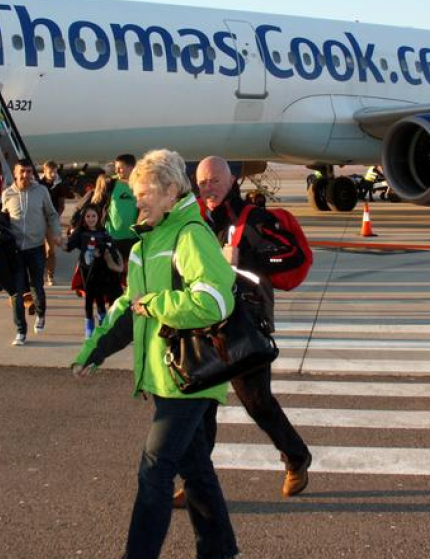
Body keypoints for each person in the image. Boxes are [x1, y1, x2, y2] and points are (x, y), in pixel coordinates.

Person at [73, 148, 239, 559]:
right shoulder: (146, 242)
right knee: (196, 470)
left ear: (170, 191)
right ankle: (219, 550)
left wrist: (156, 304)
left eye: (144, 193)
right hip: (167, 375)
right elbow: (128, 306)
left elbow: (215, 301)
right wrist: (95, 349)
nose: (137, 202)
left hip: (190, 374)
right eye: (135, 194)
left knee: (155, 471)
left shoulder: (190, 235)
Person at [194, 156, 312, 499]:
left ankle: (296, 457)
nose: (209, 188)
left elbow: (293, 256)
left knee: (258, 404)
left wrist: (247, 259)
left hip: (244, 327)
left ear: (232, 180)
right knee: (202, 407)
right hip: (205, 325)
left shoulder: (255, 219)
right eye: (202, 183)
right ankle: (197, 481)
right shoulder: (194, 221)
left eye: (215, 180)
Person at [1, 160, 62, 347]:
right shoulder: (7, 194)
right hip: (16, 251)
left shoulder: (41, 191)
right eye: (22, 171)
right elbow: (3, 219)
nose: (26, 175)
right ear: (15, 173)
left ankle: (41, 314)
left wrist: (57, 233)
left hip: (36, 248)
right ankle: (21, 331)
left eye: (29, 171)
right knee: (17, 292)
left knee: (37, 287)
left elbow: (51, 214)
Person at [64, 204, 123, 338]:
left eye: (93, 216)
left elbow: (111, 247)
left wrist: (103, 250)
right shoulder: (80, 233)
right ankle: (89, 326)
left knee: (100, 297)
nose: (91, 219)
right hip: (86, 270)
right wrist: (60, 242)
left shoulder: (103, 232)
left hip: (101, 270)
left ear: (98, 217)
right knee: (89, 298)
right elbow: (68, 247)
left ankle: (102, 323)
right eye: (88, 216)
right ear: (84, 218)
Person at [105, 154, 139, 274]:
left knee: (132, 274)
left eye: (120, 168)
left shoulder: (140, 185)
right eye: (116, 168)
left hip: (134, 238)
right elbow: (95, 202)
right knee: (114, 275)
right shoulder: (110, 183)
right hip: (113, 237)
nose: (116, 171)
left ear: (131, 168)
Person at [39, 161, 68, 286]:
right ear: (44, 172)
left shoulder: (59, 185)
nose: (53, 174)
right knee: (37, 249)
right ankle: (38, 274)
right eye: (50, 172)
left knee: (51, 250)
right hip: (38, 220)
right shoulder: (38, 185)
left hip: (51, 221)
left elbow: (62, 205)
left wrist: (55, 218)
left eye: (55, 172)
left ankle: (50, 275)